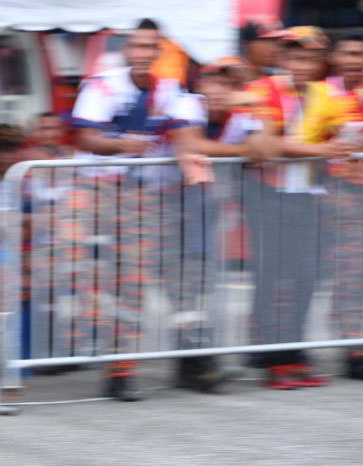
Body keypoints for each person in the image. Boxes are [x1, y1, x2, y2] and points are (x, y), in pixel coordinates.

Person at [70, 18, 191, 400]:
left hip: (148, 200)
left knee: (135, 283)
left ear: (159, 52)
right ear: (126, 50)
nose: (142, 53)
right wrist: (124, 145)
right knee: (78, 275)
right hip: (98, 193)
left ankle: (123, 369)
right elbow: (86, 137)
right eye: (137, 46)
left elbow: (188, 135)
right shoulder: (103, 84)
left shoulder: (170, 89)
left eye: (150, 47)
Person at [242, 26, 357, 389]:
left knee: (306, 277)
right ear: (282, 58)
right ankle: (274, 357)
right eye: (294, 57)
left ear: (321, 62)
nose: (301, 64)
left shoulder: (326, 95)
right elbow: (265, 146)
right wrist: (322, 149)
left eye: (308, 58)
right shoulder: (261, 90)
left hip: (306, 196)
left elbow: (348, 132)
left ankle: (293, 352)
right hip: (266, 195)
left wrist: (341, 140)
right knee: (273, 275)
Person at [168, 57, 275, 391]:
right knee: (187, 285)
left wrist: (259, 110)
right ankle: (197, 365)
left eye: (227, 84)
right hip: (166, 204)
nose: (218, 90)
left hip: (201, 207)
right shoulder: (185, 103)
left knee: (200, 286)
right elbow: (191, 145)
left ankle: (198, 364)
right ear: (200, 85)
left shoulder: (242, 112)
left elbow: (266, 149)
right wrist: (243, 148)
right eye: (212, 82)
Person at [301, 30, 363, 380]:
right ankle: (354, 347)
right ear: (335, 59)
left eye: (361, 54)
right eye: (349, 53)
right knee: (349, 273)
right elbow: (304, 140)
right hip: (338, 195)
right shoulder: (321, 93)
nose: (356, 60)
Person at [239, 16, 285, 82]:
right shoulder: (231, 77)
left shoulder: (286, 78)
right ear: (248, 44)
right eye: (267, 41)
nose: (276, 47)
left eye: (279, 41)